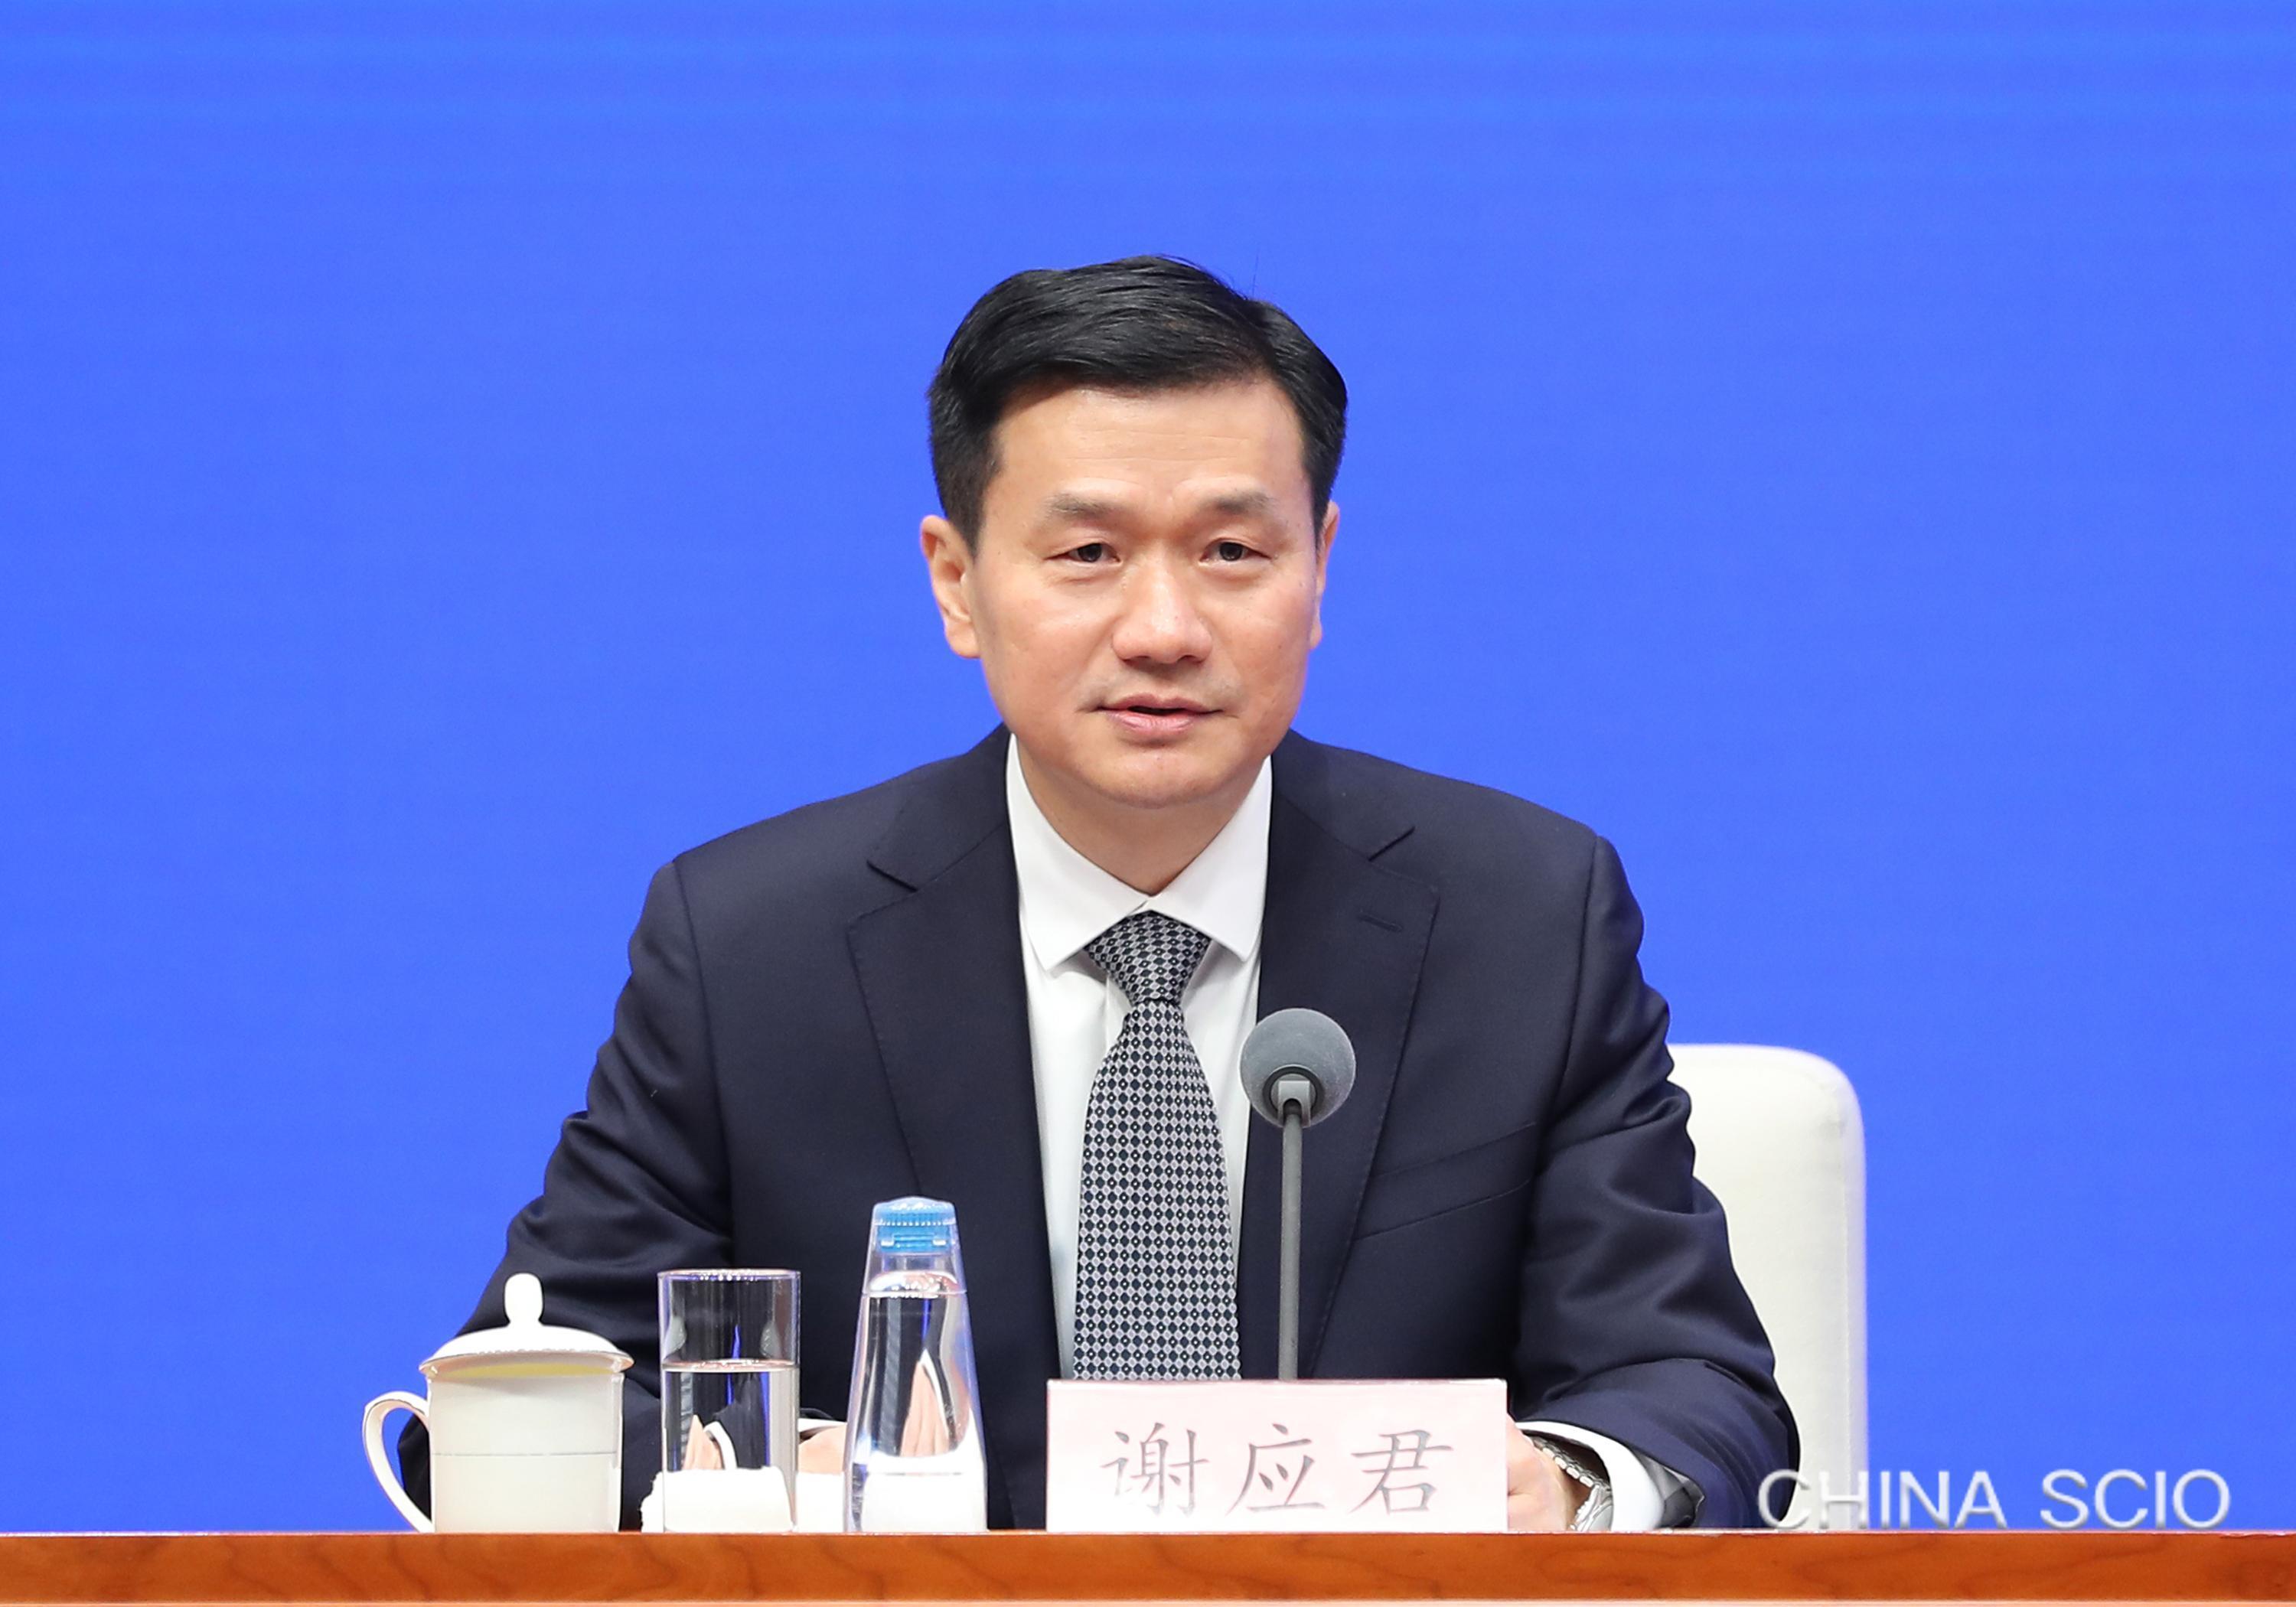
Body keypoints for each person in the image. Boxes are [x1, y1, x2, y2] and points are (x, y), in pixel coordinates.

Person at [400, 256, 1793, 1530]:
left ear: (1320, 571)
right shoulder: (755, 946)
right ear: (957, 584)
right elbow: (537, 1389)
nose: (1165, 629)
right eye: (1087, 555)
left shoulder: (1522, 915)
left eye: (1232, 552)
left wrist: (1568, 1483)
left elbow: (1692, 1384)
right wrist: (765, 1474)